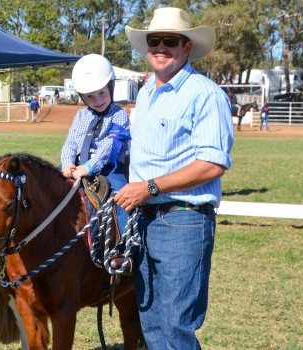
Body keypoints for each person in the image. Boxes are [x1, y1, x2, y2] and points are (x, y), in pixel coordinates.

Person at [115, 7, 234, 349]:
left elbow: (212, 164)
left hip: (182, 220)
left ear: (186, 48)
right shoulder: (147, 93)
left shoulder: (204, 94)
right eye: (155, 40)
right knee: (150, 322)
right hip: (143, 219)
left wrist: (149, 187)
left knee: (174, 328)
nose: (161, 47)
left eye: (171, 40)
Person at [60, 54, 130, 235]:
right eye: (90, 97)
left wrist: (88, 167)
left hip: (109, 168)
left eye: (102, 93)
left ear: (111, 88)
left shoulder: (119, 115)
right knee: (47, 184)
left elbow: (109, 148)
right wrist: (67, 163)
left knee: (122, 197)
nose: (97, 101)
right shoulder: (81, 116)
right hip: (78, 164)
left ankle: (124, 242)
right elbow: (71, 141)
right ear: (82, 97)